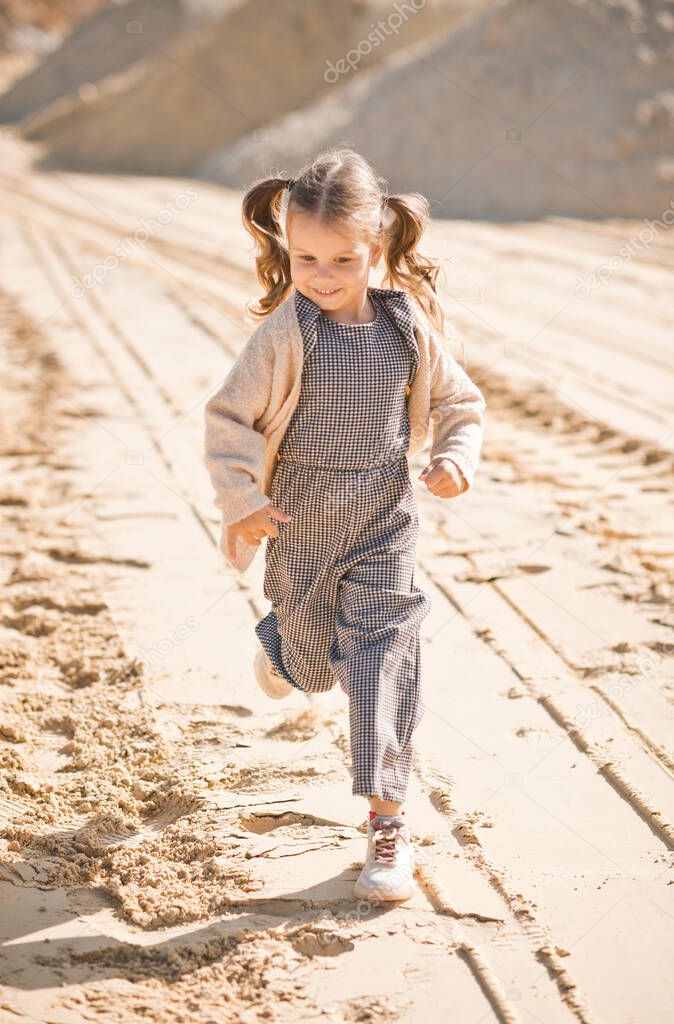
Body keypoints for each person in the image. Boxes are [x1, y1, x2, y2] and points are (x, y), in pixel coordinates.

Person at [204, 147, 486, 902]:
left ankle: (386, 826)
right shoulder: (282, 335)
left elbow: (462, 403)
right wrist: (244, 502)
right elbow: (228, 420)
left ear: (378, 249)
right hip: (299, 524)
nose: (323, 275)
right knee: (313, 669)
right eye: (305, 258)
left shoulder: (407, 326)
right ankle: (282, 645)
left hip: (384, 524)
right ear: (284, 249)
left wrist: (456, 457)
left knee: (381, 664)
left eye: (343, 259)